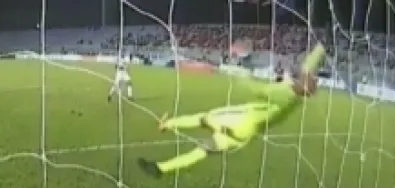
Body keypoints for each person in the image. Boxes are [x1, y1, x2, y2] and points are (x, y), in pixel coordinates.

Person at [138, 44, 326, 177]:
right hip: (244, 134)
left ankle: (167, 126)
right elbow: (307, 69)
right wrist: (319, 49)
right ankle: (161, 168)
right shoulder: (296, 99)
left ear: (300, 84)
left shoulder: (285, 93)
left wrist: (241, 75)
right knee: (203, 148)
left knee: (203, 119)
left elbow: (259, 90)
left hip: (239, 121)